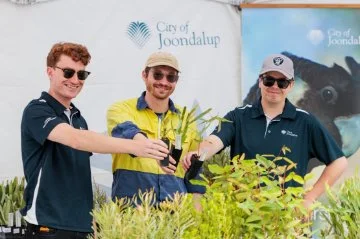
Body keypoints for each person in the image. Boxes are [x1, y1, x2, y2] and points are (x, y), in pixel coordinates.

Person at [21, 42, 168, 239]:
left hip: (82, 228)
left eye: (81, 75)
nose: (75, 80)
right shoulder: (37, 110)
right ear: (50, 71)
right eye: (68, 72)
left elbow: (83, 160)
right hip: (49, 226)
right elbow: (76, 139)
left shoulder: (78, 118)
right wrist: (137, 146)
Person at [183, 53, 348, 211]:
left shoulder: (306, 122)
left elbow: (339, 162)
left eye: (282, 82)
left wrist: (310, 197)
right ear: (260, 81)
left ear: (290, 85)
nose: (275, 87)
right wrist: (199, 152)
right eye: (269, 80)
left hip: (286, 221)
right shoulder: (238, 117)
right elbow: (214, 141)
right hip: (245, 217)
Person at [107, 51, 205, 205]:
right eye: (157, 75)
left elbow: (195, 172)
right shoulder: (120, 109)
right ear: (144, 75)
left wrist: (198, 218)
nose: (164, 82)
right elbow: (128, 132)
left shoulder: (187, 118)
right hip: (132, 214)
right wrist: (152, 149)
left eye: (170, 77)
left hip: (176, 215)